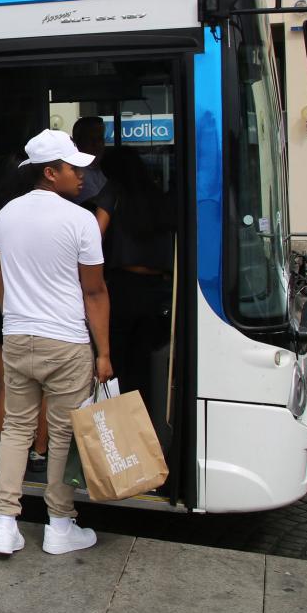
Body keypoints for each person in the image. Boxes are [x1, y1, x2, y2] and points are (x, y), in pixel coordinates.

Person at [0, 129, 112, 557]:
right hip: (67, 342)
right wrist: (105, 353)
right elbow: (94, 292)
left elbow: (1, 285)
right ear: (50, 171)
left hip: (19, 337)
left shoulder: (4, 216)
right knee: (62, 434)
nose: (82, 175)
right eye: (74, 168)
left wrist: (18, 325)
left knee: (17, 429)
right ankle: (59, 525)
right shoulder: (80, 220)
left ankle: (5, 523)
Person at [0, 156, 49, 472]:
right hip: (38, 302)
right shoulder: (42, 212)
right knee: (43, 386)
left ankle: (8, 451)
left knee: (8, 385)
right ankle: (39, 451)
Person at [94, 147, 174, 418]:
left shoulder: (113, 192)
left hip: (121, 287)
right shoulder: (157, 195)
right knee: (143, 364)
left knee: (114, 363)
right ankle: (142, 427)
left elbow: (95, 234)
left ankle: (117, 431)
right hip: (157, 289)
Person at [71, 117, 108, 207]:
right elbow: (98, 205)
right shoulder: (78, 173)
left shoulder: (101, 170)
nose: (97, 145)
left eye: (100, 139)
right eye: (91, 139)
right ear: (78, 142)